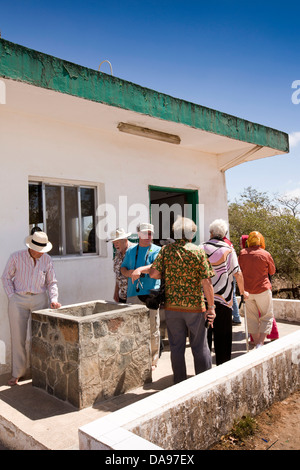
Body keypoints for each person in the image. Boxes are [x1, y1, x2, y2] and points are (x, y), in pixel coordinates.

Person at [149, 217, 216, 384]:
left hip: (172, 307)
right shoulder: (198, 252)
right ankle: (204, 382)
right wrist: (211, 307)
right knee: (200, 346)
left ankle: (179, 382)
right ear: (191, 234)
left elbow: (153, 274)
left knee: (177, 347)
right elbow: (206, 282)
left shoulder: (166, 251)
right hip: (194, 307)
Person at [1, 231, 61, 386]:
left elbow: (51, 282)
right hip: (18, 300)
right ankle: (18, 373)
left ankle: (39, 371)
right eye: (39, 250)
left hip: (40, 299)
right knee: (18, 337)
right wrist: (12, 296)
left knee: (39, 337)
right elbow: (6, 277)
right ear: (31, 247)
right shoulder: (16, 257)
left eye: (43, 250)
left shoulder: (47, 259)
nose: (41, 254)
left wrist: (54, 300)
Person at [203, 219, 248, 365]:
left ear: (211, 233)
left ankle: (204, 367)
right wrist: (242, 292)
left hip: (204, 299)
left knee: (205, 336)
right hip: (224, 299)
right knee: (223, 336)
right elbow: (237, 273)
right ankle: (223, 366)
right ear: (224, 234)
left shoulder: (200, 248)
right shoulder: (228, 250)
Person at [121, 223, 161, 368]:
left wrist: (139, 269)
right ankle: (136, 358)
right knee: (133, 328)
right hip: (133, 294)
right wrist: (129, 273)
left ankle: (153, 360)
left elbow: (155, 267)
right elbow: (123, 268)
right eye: (145, 233)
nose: (148, 236)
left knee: (152, 329)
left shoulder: (158, 250)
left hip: (151, 295)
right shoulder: (131, 251)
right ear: (138, 235)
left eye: (150, 233)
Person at [238, 231, 276, 348]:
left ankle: (256, 342)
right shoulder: (265, 254)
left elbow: (238, 270)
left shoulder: (242, 253)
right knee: (267, 316)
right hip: (263, 290)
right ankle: (260, 343)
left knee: (251, 318)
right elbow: (272, 271)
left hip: (247, 291)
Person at [107, 228, 135, 303]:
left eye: (117, 242)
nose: (115, 245)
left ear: (125, 240)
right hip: (122, 296)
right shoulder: (117, 253)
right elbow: (118, 275)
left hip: (134, 296)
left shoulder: (135, 251)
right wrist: (116, 291)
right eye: (113, 242)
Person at [223, 235, 242, 325]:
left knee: (232, 294)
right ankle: (236, 317)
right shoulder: (228, 242)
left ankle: (236, 317)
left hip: (229, 272)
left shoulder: (224, 243)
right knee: (232, 294)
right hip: (232, 271)